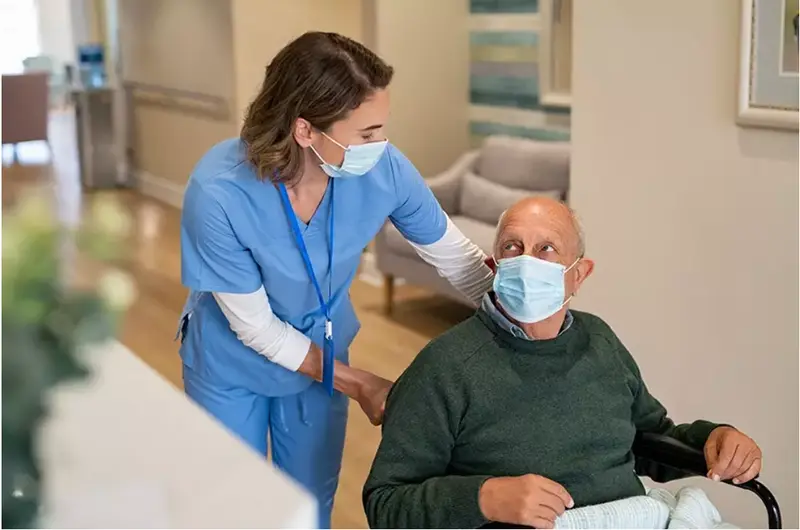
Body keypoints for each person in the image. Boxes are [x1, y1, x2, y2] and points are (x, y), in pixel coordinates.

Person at [176, 31, 493, 528]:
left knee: (308, 504)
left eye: (382, 129)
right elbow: (255, 328)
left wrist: (519, 317)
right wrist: (358, 382)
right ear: (305, 130)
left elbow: (457, 258)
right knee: (229, 507)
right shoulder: (218, 193)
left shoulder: (383, 169)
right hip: (230, 361)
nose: (380, 145)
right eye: (366, 133)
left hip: (319, 346)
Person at [362, 197, 763, 529]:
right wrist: (482, 497)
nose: (527, 262)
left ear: (579, 275)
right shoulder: (444, 366)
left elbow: (650, 439)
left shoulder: (600, 341)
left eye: (546, 249)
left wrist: (714, 440)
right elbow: (386, 502)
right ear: (494, 267)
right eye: (512, 248)